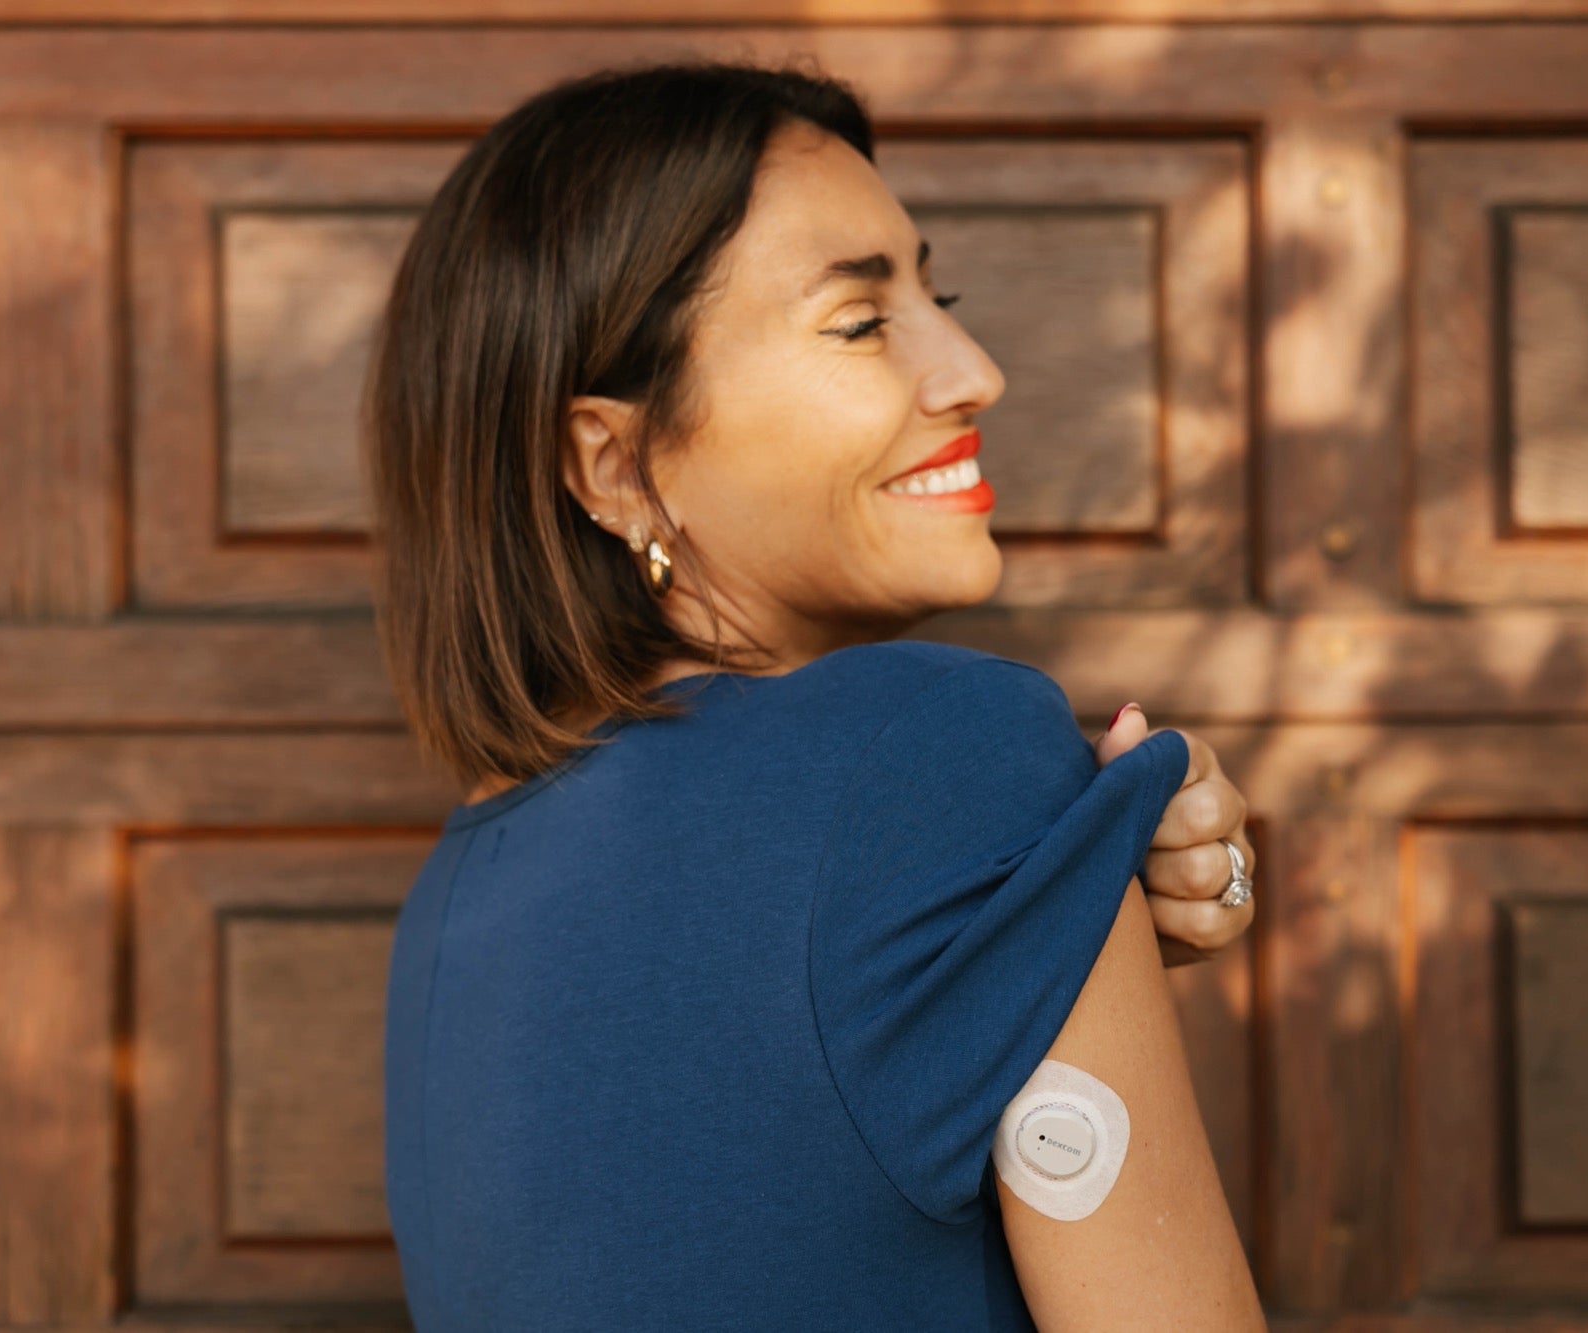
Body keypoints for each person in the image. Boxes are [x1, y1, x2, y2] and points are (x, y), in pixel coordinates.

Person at [366, 56, 1263, 1331]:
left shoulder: (453, 903)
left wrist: (1060, 920)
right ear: (614, 466)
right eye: (860, 321)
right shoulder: (931, 748)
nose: (972, 371)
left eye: (934, 295)